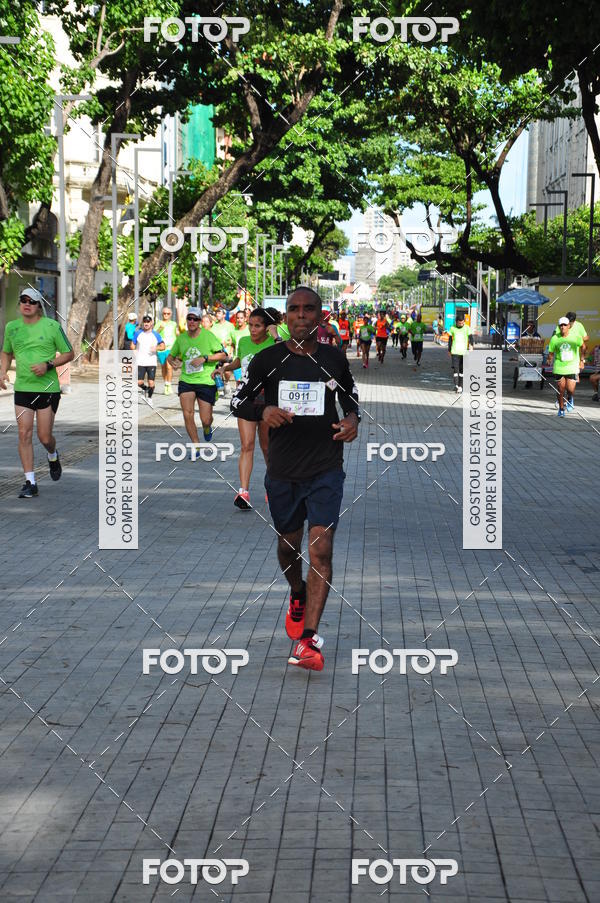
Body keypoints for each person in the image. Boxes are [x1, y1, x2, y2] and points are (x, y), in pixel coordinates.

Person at [231, 287, 360, 671]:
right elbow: (238, 401)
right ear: (285, 317)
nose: (301, 315)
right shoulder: (267, 360)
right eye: (294, 310)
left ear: (320, 315)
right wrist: (264, 408)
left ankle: (309, 640)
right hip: (283, 471)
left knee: (320, 547)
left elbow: (350, 397)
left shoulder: (334, 359)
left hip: (325, 467)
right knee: (289, 547)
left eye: (309, 309)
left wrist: (353, 420)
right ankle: (297, 591)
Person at [0, 287, 74, 498]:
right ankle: (30, 482)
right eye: (23, 300)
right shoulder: (12, 327)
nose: (26, 304)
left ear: (39, 306)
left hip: (47, 389)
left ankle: (52, 454)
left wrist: (48, 365)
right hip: (23, 388)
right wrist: (2, 371)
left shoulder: (52, 326)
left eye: (31, 301)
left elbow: (69, 353)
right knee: (24, 434)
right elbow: (6, 352)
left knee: (44, 437)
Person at [216, 308, 275, 509]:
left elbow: (287, 359)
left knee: (267, 447)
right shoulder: (243, 342)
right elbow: (240, 361)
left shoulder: (275, 344)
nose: (252, 329)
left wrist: (276, 337)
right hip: (246, 399)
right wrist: (224, 368)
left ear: (267, 328)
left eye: (257, 325)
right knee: (247, 445)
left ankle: (273, 487)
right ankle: (243, 492)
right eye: (250, 325)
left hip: (268, 400)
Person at [167, 307, 227, 452]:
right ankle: (196, 446)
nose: (192, 321)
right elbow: (171, 355)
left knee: (206, 419)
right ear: (186, 320)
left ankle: (207, 428)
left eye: (195, 319)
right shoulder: (181, 338)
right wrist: (172, 362)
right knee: (188, 414)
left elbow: (223, 356)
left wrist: (204, 358)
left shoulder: (208, 336)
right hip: (186, 381)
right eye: (190, 318)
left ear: (200, 321)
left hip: (206, 380)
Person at [547, 317, 584, 416]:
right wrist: (549, 359)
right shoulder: (555, 338)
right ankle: (561, 409)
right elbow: (551, 351)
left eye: (564, 325)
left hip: (572, 366)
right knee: (560, 389)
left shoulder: (575, 336)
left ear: (569, 326)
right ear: (559, 327)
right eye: (561, 325)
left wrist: (581, 360)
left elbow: (583, 346)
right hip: (559, 366)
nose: (563, 327)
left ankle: (570, 398)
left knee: (570, 389)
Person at [553, 311, 588, 411]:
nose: (569, 325)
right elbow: (555, 337)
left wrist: (582, 360)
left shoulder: (579, 326)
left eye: (571, 323)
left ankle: (570, 398)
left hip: (574, 360)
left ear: (574, 321)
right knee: (560, 384)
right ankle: (561, 399)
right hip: (561, 360)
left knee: (571, 384)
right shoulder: (561, 326)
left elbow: (586, 337)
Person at [131, 314, 165, 407]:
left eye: (148, 322)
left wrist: (156, 348)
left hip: (151, 362)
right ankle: (145, 389)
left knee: (151, 382)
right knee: (139, 382)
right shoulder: (138, 333)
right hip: (140, 361)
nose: (146, 324)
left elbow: (163, 346)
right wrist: (135, 353)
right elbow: (132, 345)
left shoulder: (156, 334)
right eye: (145, 322)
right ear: (143, 323)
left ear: (151, 323)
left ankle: (149, 398)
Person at [448, 310, 473, 392]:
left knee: (462, 370)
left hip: (464, 352)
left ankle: (460, 386)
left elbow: (471, 338)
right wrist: (449, 350)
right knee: (455, 369)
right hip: (455, 351)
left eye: (462, 323)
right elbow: (450, 340)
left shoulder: (467, 328)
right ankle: (455, 385)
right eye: (459, 323)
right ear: (456, 322)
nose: (461, 324)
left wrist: (471, 346)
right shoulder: (452, 328)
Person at [155, 307, 178, 395]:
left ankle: (169, 384)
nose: (166, 315)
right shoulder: (159, 323)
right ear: (162, 314)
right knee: (164, 367)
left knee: (169, 367)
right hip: (161, 348)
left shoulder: (174, 323)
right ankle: (166, 384)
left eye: (168, 314)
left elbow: (176, 333)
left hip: (171, 348)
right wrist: (159, 329)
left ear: (171, 314)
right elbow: (155, 334)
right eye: (164, 313)